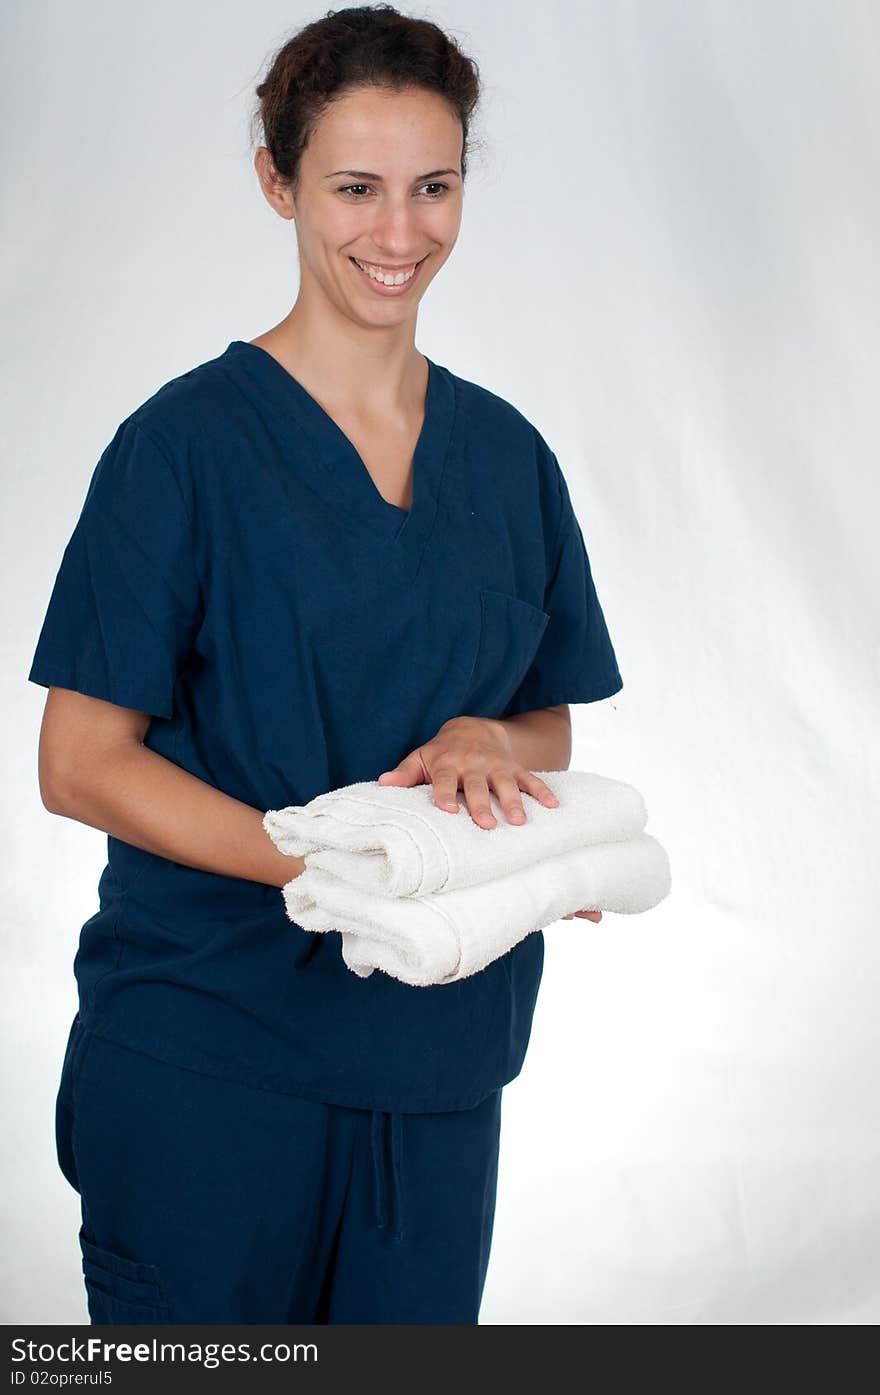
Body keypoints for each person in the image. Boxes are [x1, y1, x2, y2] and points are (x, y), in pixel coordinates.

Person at [28, 4, 622, 1325]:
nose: (399, 234)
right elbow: (79, 765)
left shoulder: (509, 459)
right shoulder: (182, 450)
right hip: (206, 1064)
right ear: (277, 181)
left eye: (433, 187)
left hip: (442, 1064)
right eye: (355, 188)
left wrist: (490, 741)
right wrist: (339, 869)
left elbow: (548, 730)